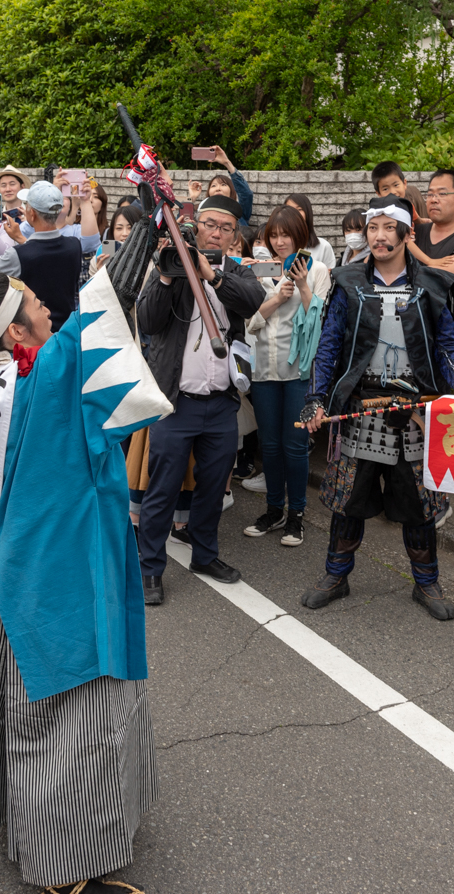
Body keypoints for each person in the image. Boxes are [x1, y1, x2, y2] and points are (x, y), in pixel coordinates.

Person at [0, 265, 169, 894]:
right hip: (55, 571)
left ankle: (26, 830)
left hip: (27, 559)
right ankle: (64, 869)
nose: (47, 307)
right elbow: (83, 338)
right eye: (34, 302)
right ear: (13, 334)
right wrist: (138, 240)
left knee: (35, 712)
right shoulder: (24, 381)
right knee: (70, 718)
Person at [299, 196, 454, 620]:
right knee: (349, 500)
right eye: (372, 227)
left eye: (387, 227)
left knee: (420, 503)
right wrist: (316, 398)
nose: (378, 236)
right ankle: (336, 575)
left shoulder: (433, 285)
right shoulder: (346, 282)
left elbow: (445, 346)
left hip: (414, 408)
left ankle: (427, 581)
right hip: (362, 405)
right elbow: (328, 347)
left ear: (405, 232)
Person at [136, 194, 266, 605]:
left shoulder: (238, 272)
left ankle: (205, 555)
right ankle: (149, 569)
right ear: (195, 225)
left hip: (221, 401)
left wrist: (211, 275)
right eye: (210, 224)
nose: (217, 232)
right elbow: (148, 321)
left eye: (227, 227)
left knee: (213, 488)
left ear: (234, 236)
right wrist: (167, 275)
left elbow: (254, 301)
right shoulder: (172, 264)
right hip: (177, 402)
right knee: (163, 488)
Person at [242, 205, 329, 548]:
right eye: (273, 235)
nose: (279, 241)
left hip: (298, 372)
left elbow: (320, 323)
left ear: (300, 235)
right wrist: (275, 299)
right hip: (263, 367)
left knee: (295, 446)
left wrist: (304, 285)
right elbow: (248, 324)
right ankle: (273, 509)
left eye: (286, 234)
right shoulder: (258, 269)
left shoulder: (317, 268)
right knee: (270, 444)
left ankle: (297, 516)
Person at [0, 181, 85, 330]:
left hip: (34, 335)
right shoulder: (74, 245)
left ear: (31, 213)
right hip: (67, 330)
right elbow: (43, 256)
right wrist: (21, 239)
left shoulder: (18, 255)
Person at [407, 169, 454, 327]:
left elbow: (436, 279)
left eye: (442, 194)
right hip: (400, 323)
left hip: (439, 333)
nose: (434, 200)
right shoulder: (416, 232)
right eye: (430, 194)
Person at [185, 147, 254, 227]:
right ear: (209, 192)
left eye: (223, 185)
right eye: (213, 186)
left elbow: (246, 194)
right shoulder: (199, 210)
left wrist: (227, 163)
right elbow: (182, 223)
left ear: (231, 190)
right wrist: (192, 198)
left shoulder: (239, 211)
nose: (218, 188)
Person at [283, 193, 336, 269]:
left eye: (299, 209)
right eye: (290, 210)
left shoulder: (323, 246)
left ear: (307, 213)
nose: (294, 213)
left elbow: (329, 277)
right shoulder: (278, 245)